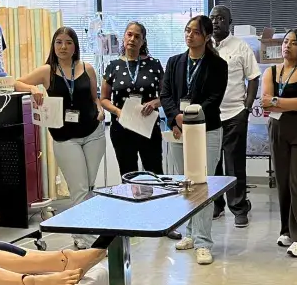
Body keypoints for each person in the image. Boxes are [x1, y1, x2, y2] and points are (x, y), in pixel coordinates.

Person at [15, 27, 104, 250]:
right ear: (53, 46)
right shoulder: (48, 70)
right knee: (79, 188)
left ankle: (82, 234)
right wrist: (32, 88)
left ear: (75, 46)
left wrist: (101, 110)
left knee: (88, 187)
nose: (63, 47)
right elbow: (17, 83)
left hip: (93, 133)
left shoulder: (87, 68)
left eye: (68, 42)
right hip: (65, 138)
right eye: (59, 42)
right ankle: (88, 240)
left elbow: (95, 98)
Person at [161, 15, 228, 266]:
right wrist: (175, 118)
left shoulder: (217, 64)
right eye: (187, 30)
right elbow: (166, 94)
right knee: (186, 184)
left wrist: (189, 117)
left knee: (203, 185)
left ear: (207, 36)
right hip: (179, 130)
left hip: (206, 130)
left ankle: (203, 242)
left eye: (196, 32)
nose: (190, 35)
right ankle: (190, 232)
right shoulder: (174, 62)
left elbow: (214, 98)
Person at [260, 29, 297, 258]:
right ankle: (286, 230)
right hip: (278, 129)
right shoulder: (271, 71)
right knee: (283, 182)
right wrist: (283, 102)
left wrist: (276, 100)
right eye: (285, 42)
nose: (287, 46)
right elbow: (264, 103)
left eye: (293, 43)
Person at [209, 6, 261, 227]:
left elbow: (253, 77)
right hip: (210, 115)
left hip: (234, 114)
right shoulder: (204, 47)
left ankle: (239, 208)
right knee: (213, 163)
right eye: (212, 18)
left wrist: (247, 107)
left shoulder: (241, 46)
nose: (216, 22)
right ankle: (216, 205)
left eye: (221, 18)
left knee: (234, 163)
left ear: (230, 22)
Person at [100, 22, 164, 175]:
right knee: (128, 175)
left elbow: (166, 96)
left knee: (155, 173)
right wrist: (117, 111)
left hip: (148, 126)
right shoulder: (113, 66)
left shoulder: (154, 64)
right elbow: (104, 99)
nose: (132, 39)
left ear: (143, 41)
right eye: (129, 34)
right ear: (124, 37)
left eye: (137, 36)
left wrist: (155, 103)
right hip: (122, 128)